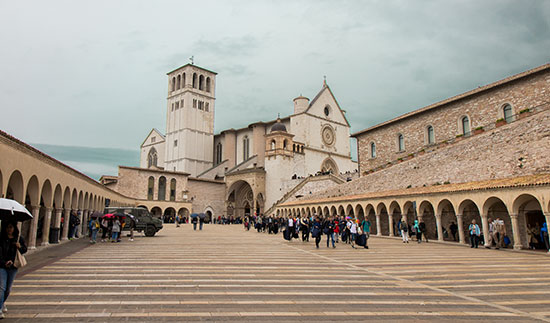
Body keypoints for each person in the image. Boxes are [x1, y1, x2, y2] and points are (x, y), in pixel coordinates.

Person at [0, 221, 27, 319]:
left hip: (13, 267)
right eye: (7, 227)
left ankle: (2, 303)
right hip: (2, 266)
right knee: (2, 288)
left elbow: (24, 250)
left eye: (11, 227)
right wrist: (4, 262)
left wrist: (19, 247)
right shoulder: (1, 239)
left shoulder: (19, 239)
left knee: (8, 289)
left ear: (14, 228)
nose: (9, 229)